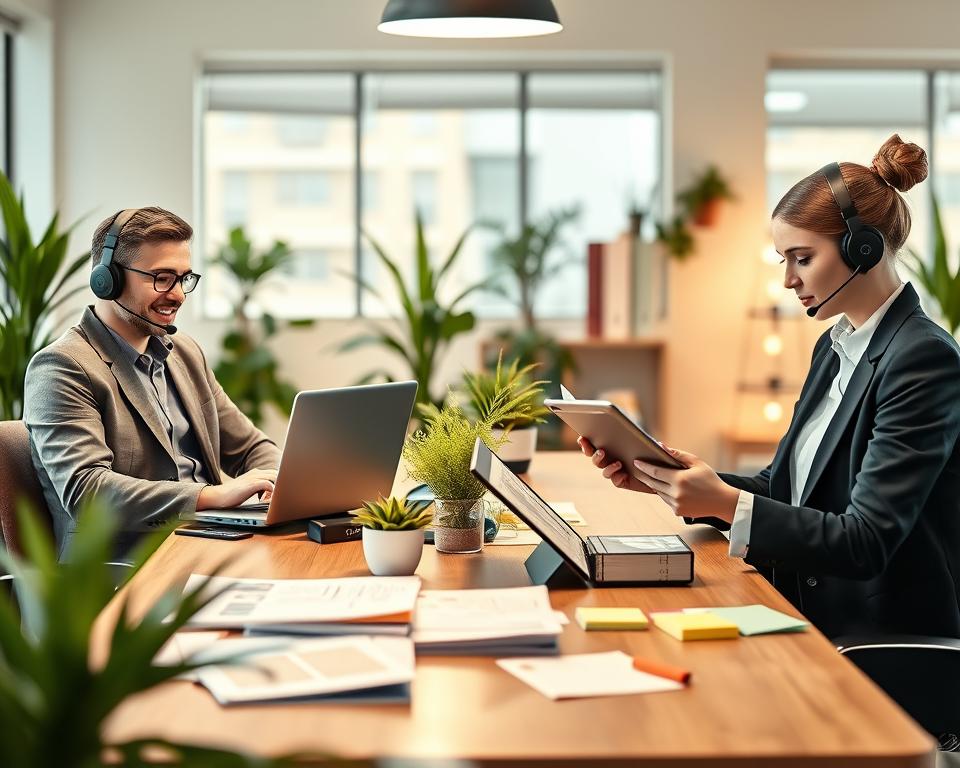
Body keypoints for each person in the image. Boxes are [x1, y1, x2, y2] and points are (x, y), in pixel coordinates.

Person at [580, 135, 960, 639]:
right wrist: (676, 479)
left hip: (874, 640)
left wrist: (725, 503)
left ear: (862, 249)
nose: (788, 280)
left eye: (801, 258)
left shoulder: (923, 360)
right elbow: (784, 490)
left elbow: (864, 541)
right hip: (804, 610)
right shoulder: (835, 347)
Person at [24, 207, 280, 560]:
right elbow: (88, 491)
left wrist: (283, 481)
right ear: (108, 279)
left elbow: (250, 448)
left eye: (184, 278)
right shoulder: (63, 366)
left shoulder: (185, 353)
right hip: (123, 566)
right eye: (161, 277)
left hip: (208, 545)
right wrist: (209, 497)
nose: (177, 295)